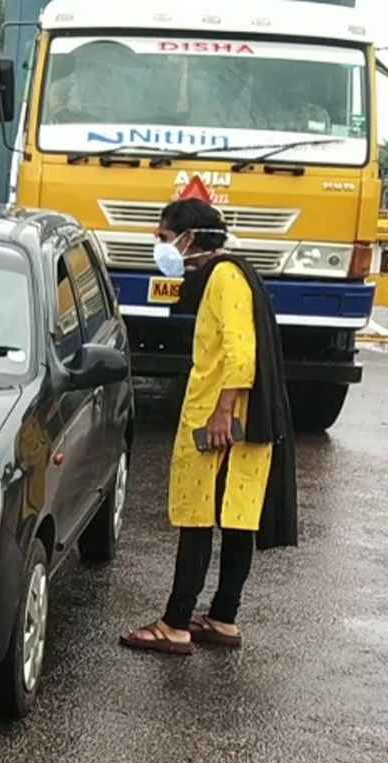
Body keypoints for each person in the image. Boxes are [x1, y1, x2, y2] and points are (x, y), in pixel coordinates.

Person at [120, 197, 298, 656]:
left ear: (189, 239)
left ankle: (175, 624)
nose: (160, 248)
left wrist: (222, 412)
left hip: (223, 422)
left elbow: (241, 353)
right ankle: (222, 617)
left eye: (163, 238)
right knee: (236, 519)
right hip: (241, 418)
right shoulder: (235, 273)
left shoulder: (223, 278)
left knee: (198, 518)